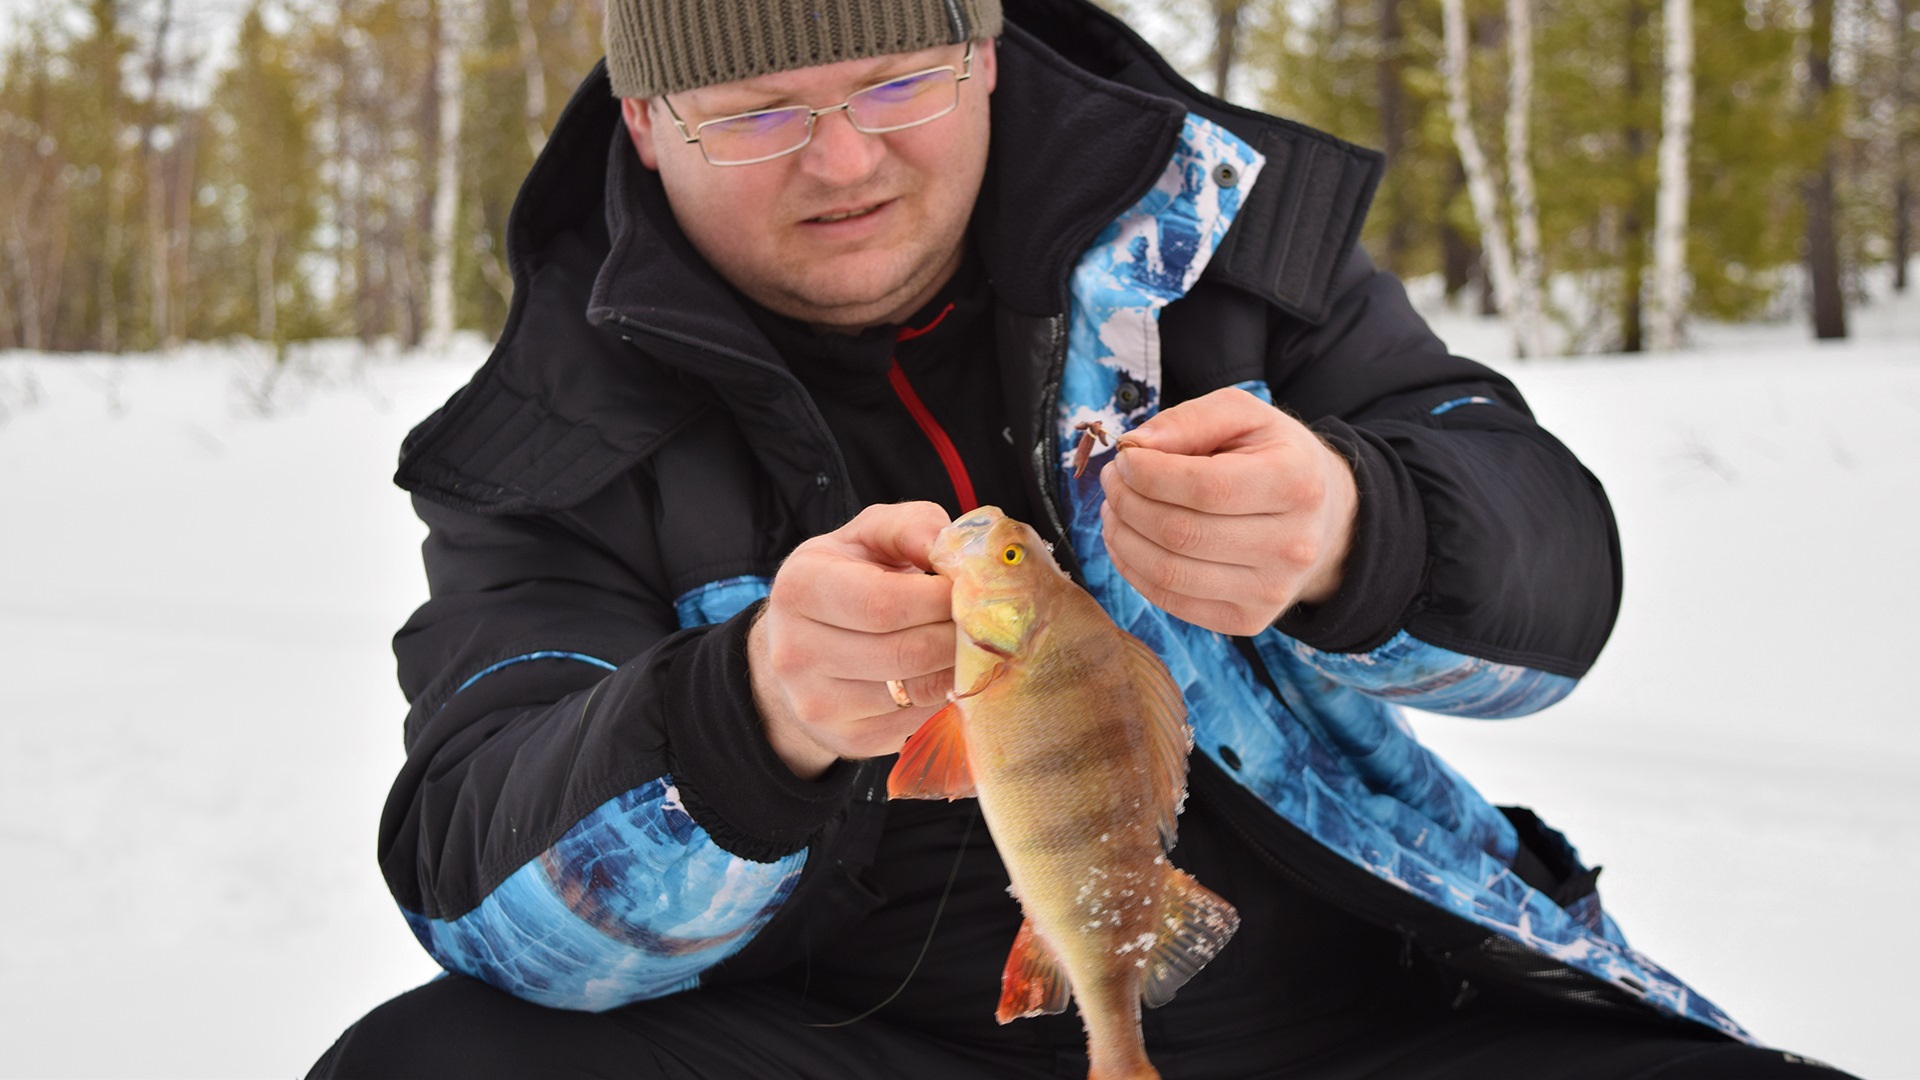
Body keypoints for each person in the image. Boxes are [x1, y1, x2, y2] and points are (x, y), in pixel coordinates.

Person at [308, 1, 1858, 1077]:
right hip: (848, 1043)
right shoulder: (552, 437)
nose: (842, 161)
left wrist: (1355, 528)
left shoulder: (1218, 248)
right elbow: (483, 894)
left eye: (896, 81)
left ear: (983, 56)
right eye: (756, 112)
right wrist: (747, 714)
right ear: (647, 127)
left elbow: (1559, 598)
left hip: (1373, 1016)